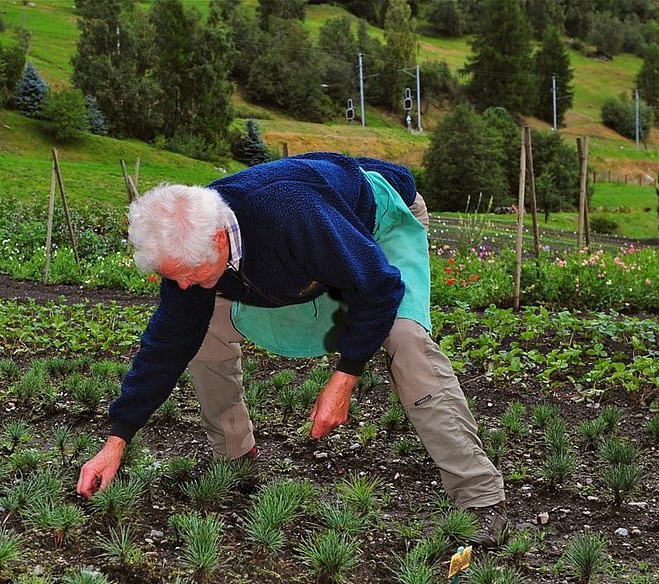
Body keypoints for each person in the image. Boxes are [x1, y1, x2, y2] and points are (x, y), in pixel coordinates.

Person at [75, 152, 508, 546]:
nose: (183, 285)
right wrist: (117, 441)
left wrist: (345, 377)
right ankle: (235, 458)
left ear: (221, 241)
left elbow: (378, 288)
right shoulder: (190, 253)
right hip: (300, 261)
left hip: (377, 225)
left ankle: (481, 499)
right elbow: (166, 345)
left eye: (188, 274)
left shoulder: (293, 215)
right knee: (203, 328)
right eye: (175, 277)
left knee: (405, 339)